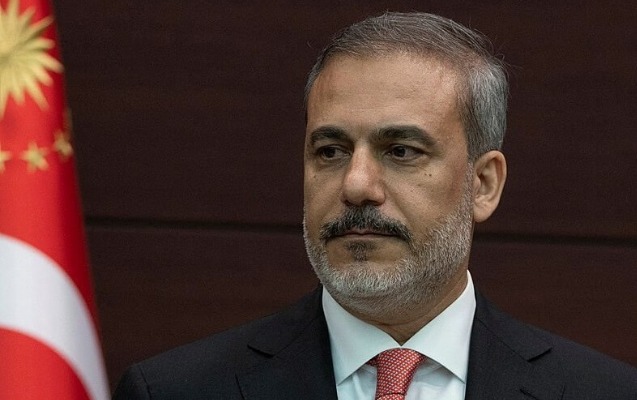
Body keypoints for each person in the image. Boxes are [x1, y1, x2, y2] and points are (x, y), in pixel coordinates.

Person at [113, 12, 637, 400]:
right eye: (330, 151)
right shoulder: (175, 391)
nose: (357, 185)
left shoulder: (602, 392)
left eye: (401, 151)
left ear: (483, 184)